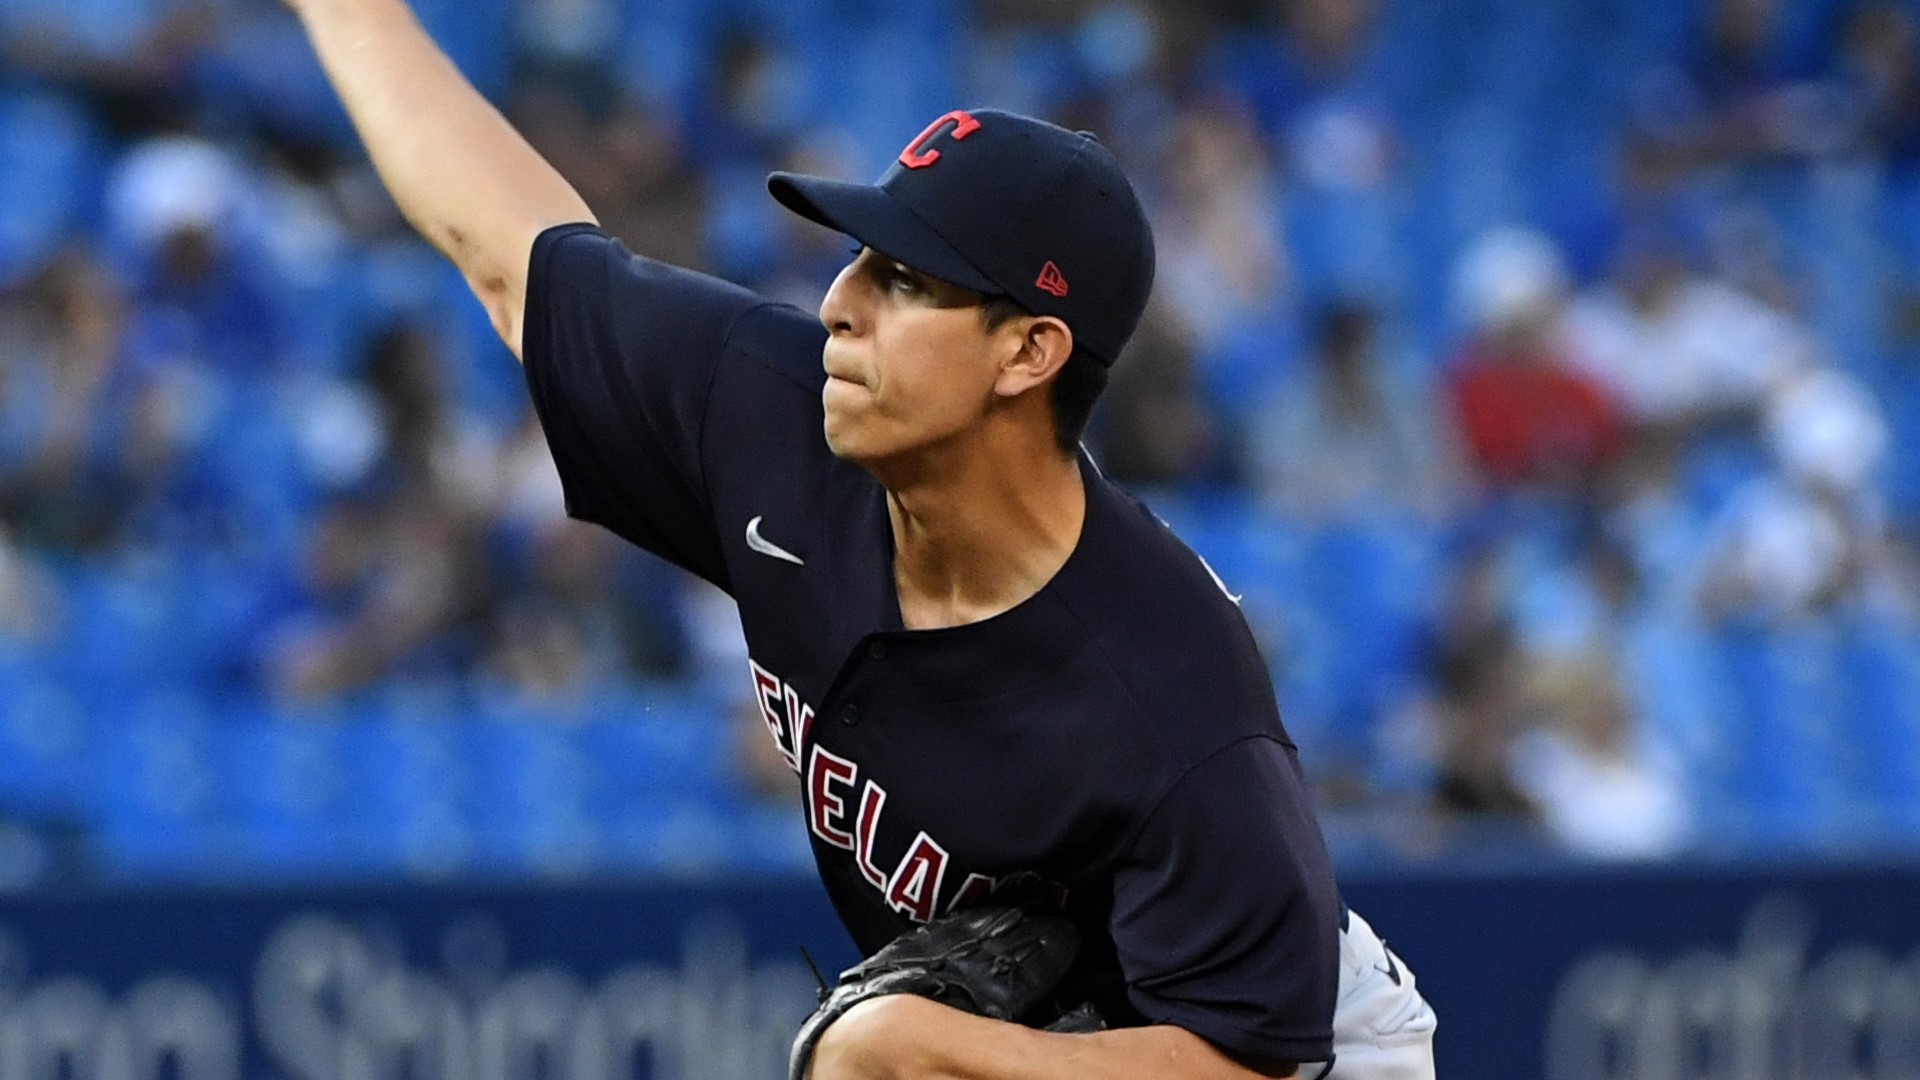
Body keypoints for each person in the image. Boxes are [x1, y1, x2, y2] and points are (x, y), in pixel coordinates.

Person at [284, 0, 1436, 1076]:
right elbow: (505, 248)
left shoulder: (1169, 695)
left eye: (904, 278)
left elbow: (1245, 1057)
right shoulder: (772, 412)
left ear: (1026, 353)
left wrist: (910, 1045)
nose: (841, 301)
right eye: (856, 259)